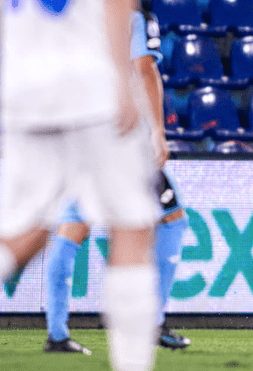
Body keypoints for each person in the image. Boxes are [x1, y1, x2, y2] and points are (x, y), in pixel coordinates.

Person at [0, 0, 161, 370]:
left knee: (23, 234)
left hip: (22, 90)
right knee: (131, 226)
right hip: (93, 84)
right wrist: (122, 81)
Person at [42, 10, 190, 355]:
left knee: (72, 227)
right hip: (118, 136)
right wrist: (157, 130)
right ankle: (149, 322)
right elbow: (143, 67)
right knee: (171, 220)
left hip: (76, 129)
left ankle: (57, 333)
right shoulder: (131, 15)